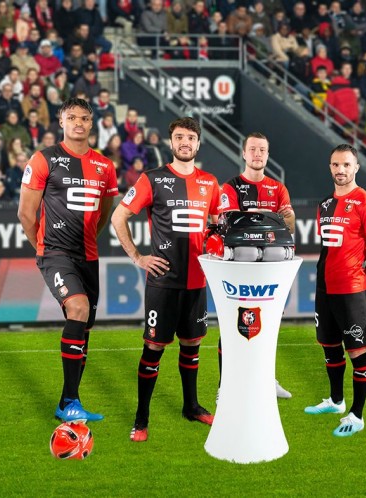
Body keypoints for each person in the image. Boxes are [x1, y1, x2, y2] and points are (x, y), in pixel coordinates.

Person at [111, 117, 220, 443]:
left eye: (190, 137)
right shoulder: (152, 179)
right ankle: (141, 419)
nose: (185, 142)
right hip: (163, 282)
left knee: (192, 345)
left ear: (198, 144)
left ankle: (192, 406)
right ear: (171, 143)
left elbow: (218, 224)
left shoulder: (210, 183)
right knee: (154, 348)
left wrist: (217, 249)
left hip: (197, 283)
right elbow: (119, 216)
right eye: (179, 137)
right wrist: (138, 257)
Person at [17, 97, 119, 423]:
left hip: (88, 256)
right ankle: (71, 402)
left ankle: (67, 400)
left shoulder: (105, 166)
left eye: (85, 118)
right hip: (55, 253)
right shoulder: (44, 159)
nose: (78, 123)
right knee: (78, 309)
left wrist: (88, 239)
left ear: (92, 124)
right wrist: (44, 248)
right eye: (72, 117)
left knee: (84, 325)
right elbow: (25, 213)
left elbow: (104, 215)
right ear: (61, 121)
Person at [304, 144, 366, 437]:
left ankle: (357, 414)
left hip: (351, 291)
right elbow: (330, 249)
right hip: (325, 289)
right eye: (336, 165)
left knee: (358, 351)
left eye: (346, 165)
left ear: (356, 168)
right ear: (330, 167)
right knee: (329, 347)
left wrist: (362, 278)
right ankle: (336, 402)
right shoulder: (325, 204)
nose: (341, 170)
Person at [217, 131, 295, 400]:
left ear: (268, 154)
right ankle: (224, 387)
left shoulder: (278, 188)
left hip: (269, 275)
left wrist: (253, 217)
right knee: (232, 327)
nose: (258, 154)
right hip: (239, 271)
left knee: (268, 327)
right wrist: (268, 219)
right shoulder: (231, 187)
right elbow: (229, 224)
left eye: (262, 149)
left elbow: (289, 224)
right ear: (244, 153)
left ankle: (267, 381)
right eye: (253, 149)